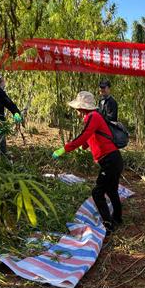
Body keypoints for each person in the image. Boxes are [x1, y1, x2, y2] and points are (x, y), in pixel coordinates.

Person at [51, 91, 124, 235]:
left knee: (97, 192)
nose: (77, 111)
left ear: (82, 108)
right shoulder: (93, 117)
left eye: (77, 108)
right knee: (111, 190)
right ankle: (117, 219)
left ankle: (108, 226)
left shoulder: (93, 116)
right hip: (113, 159)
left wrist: (64, 149)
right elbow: (89, 137)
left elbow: (83, 135)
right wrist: (84, 146)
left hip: (110, 160)